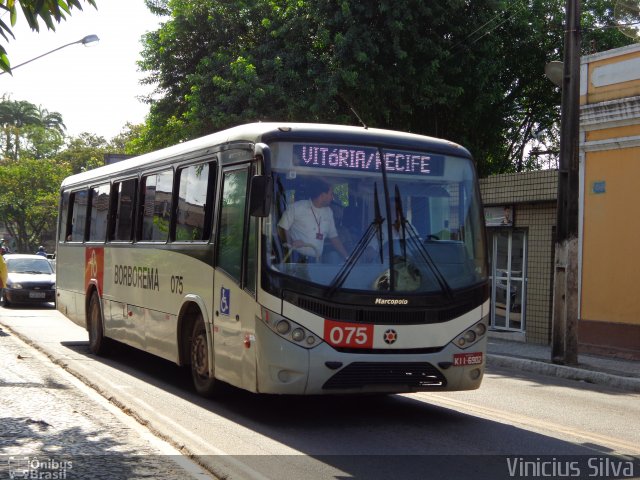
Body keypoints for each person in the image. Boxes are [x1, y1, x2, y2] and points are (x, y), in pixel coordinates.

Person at [278, 178, 349, 263]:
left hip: (316, 262)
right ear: (322, 195)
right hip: (296, 259)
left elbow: (333, 237)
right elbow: (281, 228)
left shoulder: (328, 212)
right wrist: (291, 242)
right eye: (331, 194)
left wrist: (347, 257)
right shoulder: (296, 208)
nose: (332, 198)